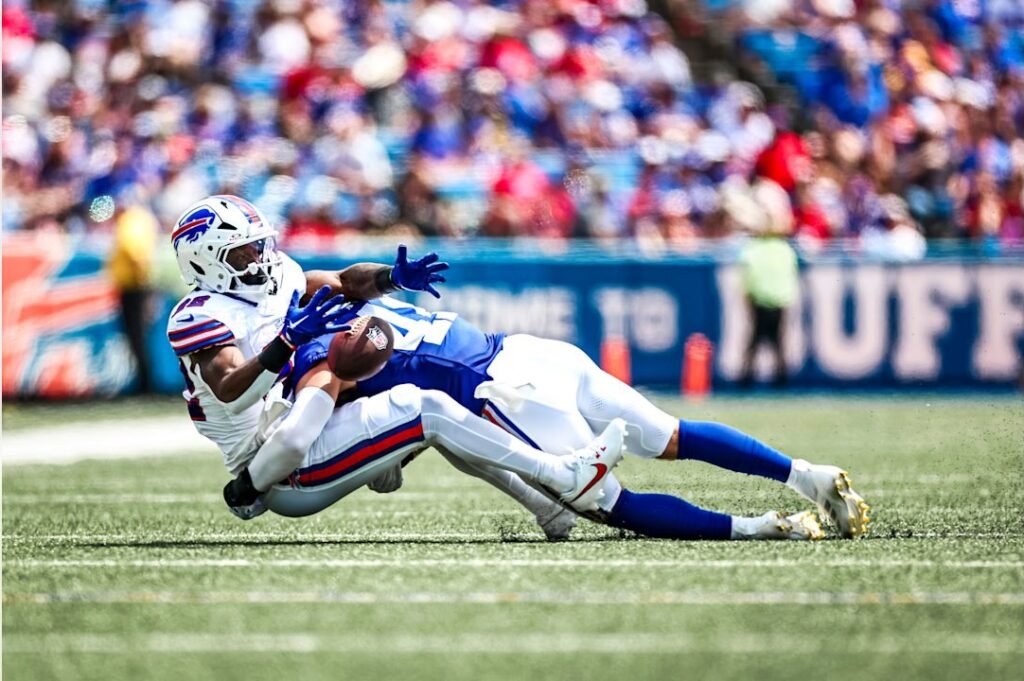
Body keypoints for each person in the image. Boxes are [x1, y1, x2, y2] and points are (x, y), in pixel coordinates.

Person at [290, 278, 871, 541]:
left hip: (505, 391)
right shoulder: (347, 297)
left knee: (606, 503)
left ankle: (763, 529)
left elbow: (382, 448)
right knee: (672, 435)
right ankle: (805, 476)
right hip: (528, 349)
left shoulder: (320, 355)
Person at [166, 194, 625, 521]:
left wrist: (389, 277)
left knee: (432, 399)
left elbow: (345, 282)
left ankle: (549, 511)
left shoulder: (280, 275)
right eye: (245, 252)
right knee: (426, 408)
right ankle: (559, 475)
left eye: (260, 244)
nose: (262, 258)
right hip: (274, 466)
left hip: (313, 418)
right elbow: (231, 393)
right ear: (208, 262)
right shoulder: (199, 315)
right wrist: (286, 342)